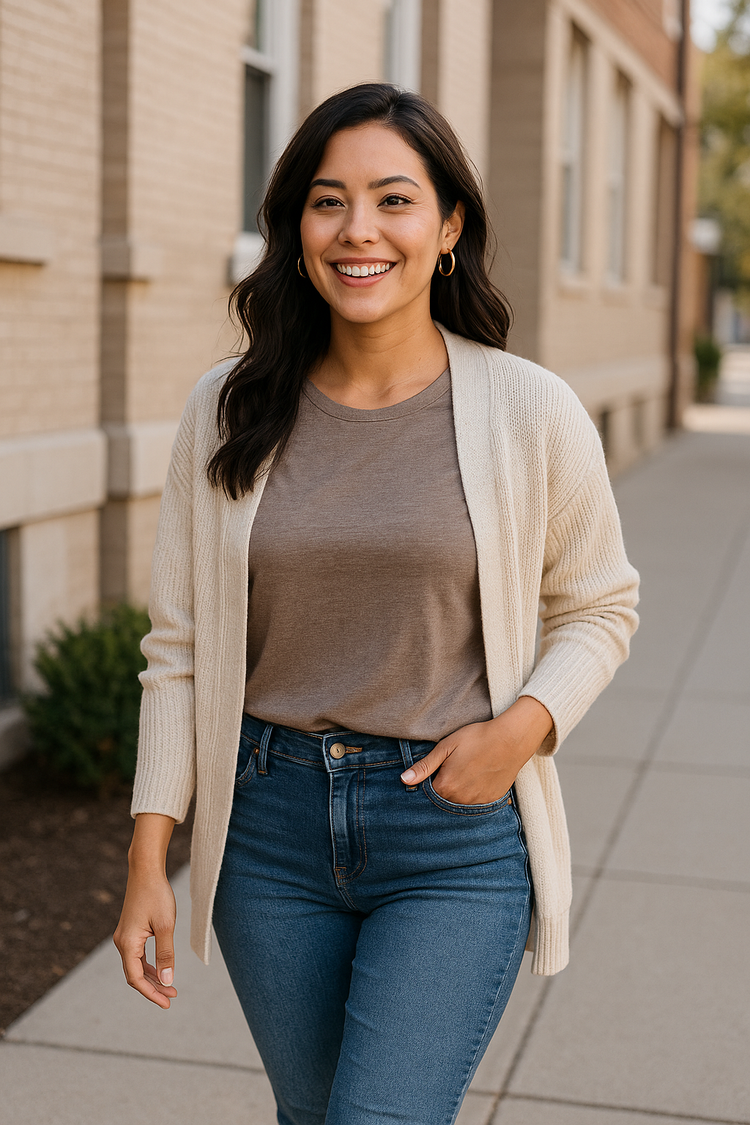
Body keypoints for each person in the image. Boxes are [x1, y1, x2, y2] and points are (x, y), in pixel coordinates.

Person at [114, 83, 639, 1125]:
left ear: (448, 228)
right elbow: (178, 648)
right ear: (295, 230)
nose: (360, 230)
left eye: (395, 200)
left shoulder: (528, 409)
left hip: (449, 835)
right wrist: (147, 854)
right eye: (328, 201)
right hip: (269, 834)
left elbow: (600, 607)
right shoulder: (227, 411)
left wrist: (520, 732)